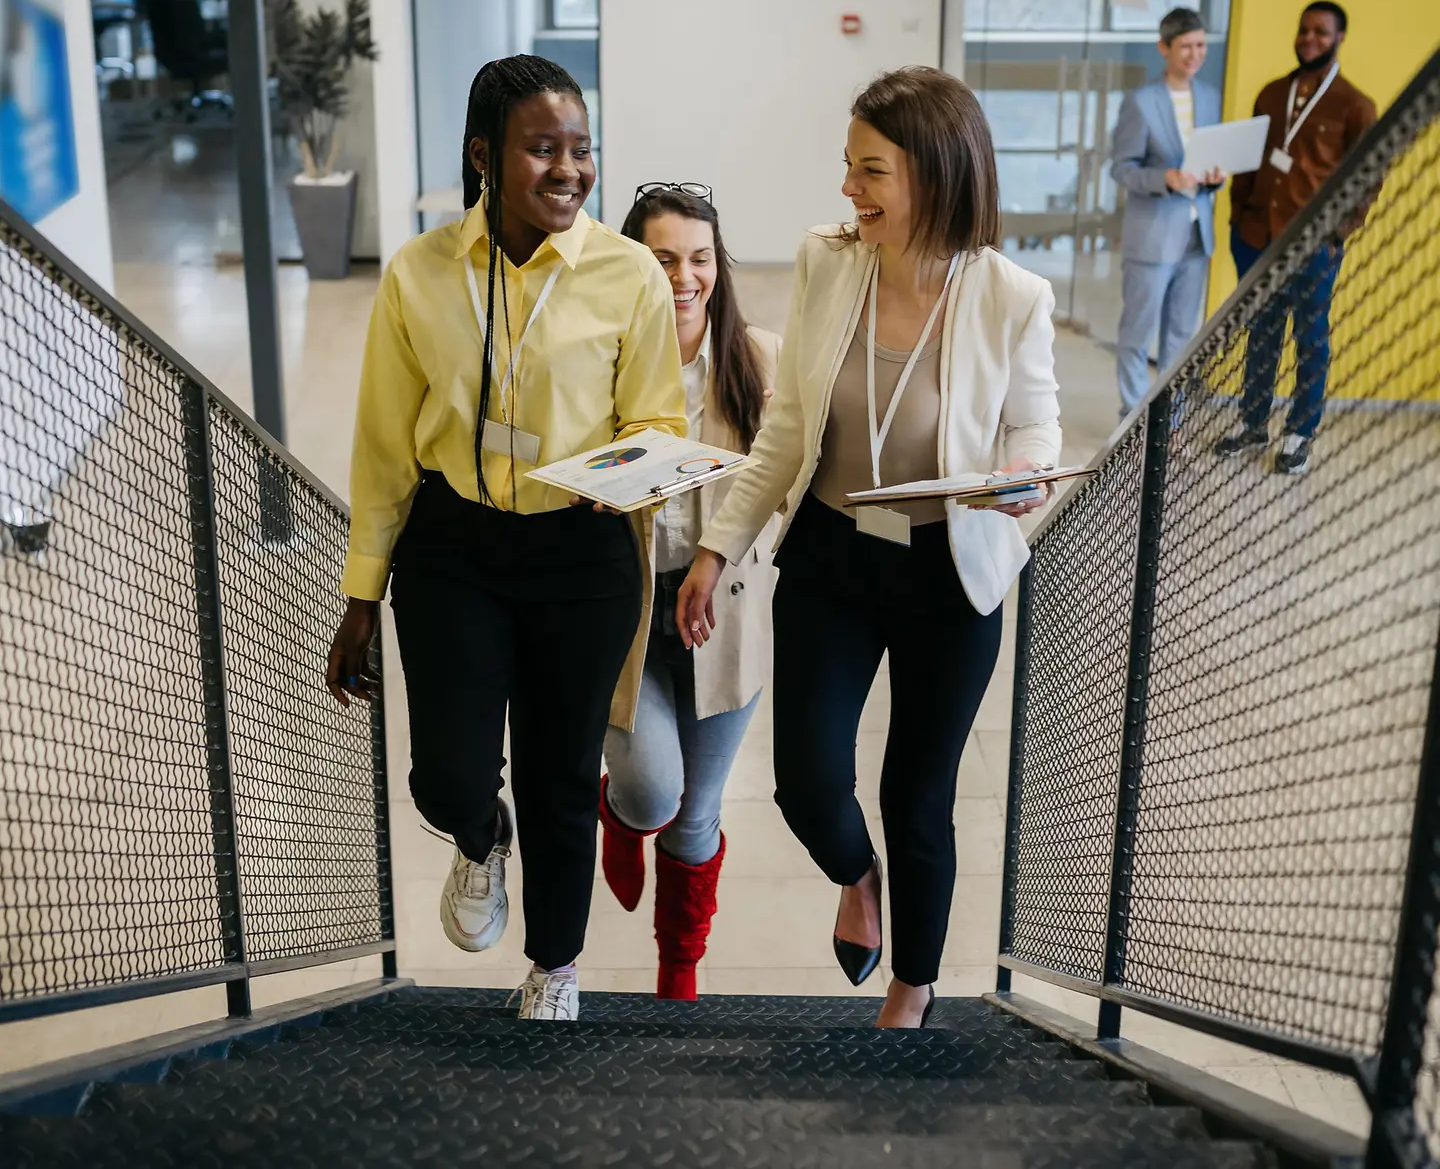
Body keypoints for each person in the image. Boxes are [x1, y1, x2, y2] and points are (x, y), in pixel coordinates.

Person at [676, 66, 1061, 1029]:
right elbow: (788, 424)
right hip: (832, 558)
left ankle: (913, 987)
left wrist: (1021, 477)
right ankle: (858, 878)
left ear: (932, 173)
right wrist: (719, 549)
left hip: (947, 570)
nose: (849, 190)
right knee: (806, 780)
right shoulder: (828, 260)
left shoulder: (1011, 296)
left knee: (918, 792)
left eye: (870, 170)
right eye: (848, 167)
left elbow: (1038, 432)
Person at [325, 55, 685, 1022]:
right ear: (485, 156)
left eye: (581, 148)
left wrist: (632, 476)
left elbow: (660, 423)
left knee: (563, 774)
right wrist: (362, 595)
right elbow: (382, 448)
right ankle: (481, 834)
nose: (569, 169)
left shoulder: (627, 274)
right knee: (444, 772)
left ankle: (554, 968)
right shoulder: (419, 274)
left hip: (582, 551)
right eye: (542, 149)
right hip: (456, 547)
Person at [599, 184, 782, 1000]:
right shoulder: (599, 363)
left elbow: (796, 487)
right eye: (663, 258)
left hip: (724, 620)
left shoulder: (761, 362)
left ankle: (679, 972)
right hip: (628, 618)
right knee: (651, 794)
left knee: (698, 815)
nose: (684, 276)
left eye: (700, 258)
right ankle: (620, 816)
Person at [1216, 1, 1377, 475]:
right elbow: (1249, 162)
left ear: (1339, 38)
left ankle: (1299, 432)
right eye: (1304, 29)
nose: (1310, 38)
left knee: (1310, 340)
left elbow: (1369, 177)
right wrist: (1237, 223)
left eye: (1321, 32)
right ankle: (1251, 424)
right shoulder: (1272, 94)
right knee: (1262, 335)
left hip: (1313, 248)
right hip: (1257, 240)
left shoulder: (1355, 105)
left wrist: (1337, 233)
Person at [1110, 6, 1224, 417]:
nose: (1194, 54)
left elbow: (1210, 156)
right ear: (1164, 47)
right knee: (1138, 334)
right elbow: (1121, 168)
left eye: (1200, 46)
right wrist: (1166, 179)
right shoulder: (1140, 102)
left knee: (1180, 335)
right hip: (1153, 235)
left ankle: (1169, 418)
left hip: (1196, 235)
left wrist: (1214, 177)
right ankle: (1133, 418)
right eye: (1185, 46)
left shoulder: (1210, 97)